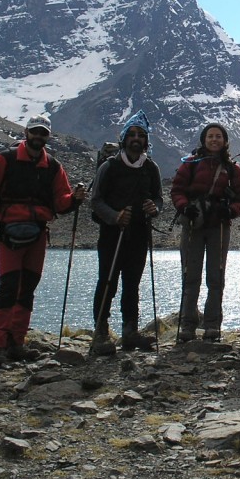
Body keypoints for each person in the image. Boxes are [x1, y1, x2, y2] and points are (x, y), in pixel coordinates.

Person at [0, 114, 85, 368]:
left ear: (47, 137)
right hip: (9, 232)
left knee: (27, 287)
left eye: (43, 133)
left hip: (37, 233)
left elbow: (61, 200)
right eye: (35, 132)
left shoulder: (53, 167)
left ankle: (16, 343)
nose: (38, 136)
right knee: (9, 287)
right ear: (27, 133)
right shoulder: (5, 159)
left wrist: (74, 198)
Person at [89, 110, 163, 355]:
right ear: (123, 138)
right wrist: (115, 216)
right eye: (131, 134)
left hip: (139, 233)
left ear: (146, 140)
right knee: (107, 281)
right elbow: (96, 201)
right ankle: (100, 331)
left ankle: (130, 331)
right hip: (112, 233)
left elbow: (159, 199)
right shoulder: (109, 167)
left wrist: (155, 209)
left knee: (132, 283)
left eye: (141, 135)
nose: (136, 139)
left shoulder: (151, 168)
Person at [170, 122, 240, 343]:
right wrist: (185, 206)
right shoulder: (191, 164)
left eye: (218, 136)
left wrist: (230, 211)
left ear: (224, 141)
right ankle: (188, 325)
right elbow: (177, 190)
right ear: (204, 140)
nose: (214, 140)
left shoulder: (232, 168)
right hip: (194, 224)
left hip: (219, 226)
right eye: (210, 136)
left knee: (216, 277)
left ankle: (212, 325)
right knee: (190, 275)